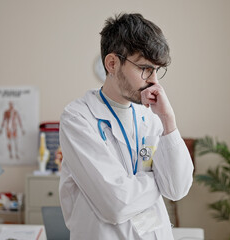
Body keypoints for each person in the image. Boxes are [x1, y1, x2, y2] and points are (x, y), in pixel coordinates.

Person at [59, 13, 194, 239]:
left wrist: (169, 122)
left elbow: (177, 189)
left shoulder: (152, 116)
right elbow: (115, 204)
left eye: (157, 70)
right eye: (145, 68)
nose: (154, 81)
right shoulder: (78, 118)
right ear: (112, 63)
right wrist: (158, 181)